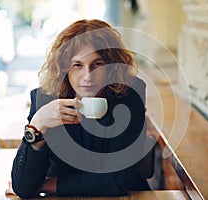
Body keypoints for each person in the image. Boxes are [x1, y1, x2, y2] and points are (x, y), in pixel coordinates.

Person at [10, 19, 150, 198]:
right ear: (63, 69)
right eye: (77, 65)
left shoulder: (129, 97)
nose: (87, 76)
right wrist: (37, 124)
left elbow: (117, 181)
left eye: (97, 64)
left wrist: (48, 184)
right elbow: (22, 187)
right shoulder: (46, 100)